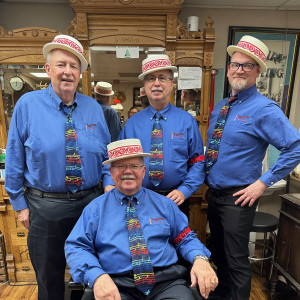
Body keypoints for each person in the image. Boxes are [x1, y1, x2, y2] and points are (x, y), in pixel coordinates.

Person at [5, 34, 114, 300]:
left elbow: (106, 155)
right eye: (61, 64)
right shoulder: (27, 106)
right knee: (50, 279)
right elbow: (14, 158)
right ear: (48, 68)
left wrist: (109, 182)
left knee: (94, 274)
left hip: (90, 204)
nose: (67, 71)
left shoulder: (94, 108)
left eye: (73, 66)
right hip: (45, 208)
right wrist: (19, 205)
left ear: (80, 73)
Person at [205, 35, 300, 300]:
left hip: (238, 197)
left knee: (236, 261)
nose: (239, 70)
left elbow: (295, 147)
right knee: (220, 255)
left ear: (258, 71)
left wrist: (262, 183)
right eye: (235, 64)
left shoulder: (264, 109)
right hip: (215, 194)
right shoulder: (223, 107)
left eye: (247, 66)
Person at [65, 138, 218, 300]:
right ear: (111, 172)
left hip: (166, 283)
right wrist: (96, 276)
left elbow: (185, 238)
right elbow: (77, 247)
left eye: (134, 166)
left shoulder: (165, 205)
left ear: (144, 171)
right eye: (121, 166)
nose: (128, 171)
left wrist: (200, 259)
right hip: (115, 283)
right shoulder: (95, 209)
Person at [119, 54, 205, 217]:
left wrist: (184, 190)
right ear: (144, 85)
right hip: (139, 199)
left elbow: (198, 162)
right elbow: (118, 162)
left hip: (176, 200)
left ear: (172, 84)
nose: (156, 83)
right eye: (151, 78)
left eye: (162, 78)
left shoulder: (187, 121)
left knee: (176, 242)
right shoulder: (131, 124)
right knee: (140, 242)